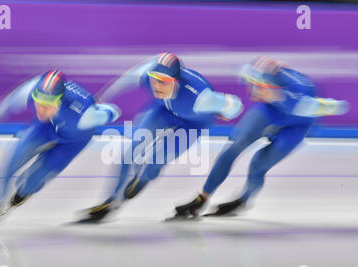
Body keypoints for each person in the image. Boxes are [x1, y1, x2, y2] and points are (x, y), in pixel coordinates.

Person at [168, 57, 349, 221]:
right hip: (270, 110)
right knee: (233, 148)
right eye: (252, 83)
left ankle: (244, 200)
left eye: (260, 87)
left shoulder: (302, 104)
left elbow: (333, 107)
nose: (253, 91)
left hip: (297, 125)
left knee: (258, 165)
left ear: (275, 89)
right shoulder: (260, 79)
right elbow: (243, 68)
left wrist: (334, 106)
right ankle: (202, 198)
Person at [78, 52, 243, 223]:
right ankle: (111, 202)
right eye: (154, 78)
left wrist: (227, 111)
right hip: (163, 111)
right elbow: (125, 80)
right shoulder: (146, 74)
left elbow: (236, 105)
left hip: (193, 126)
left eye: (164, 81)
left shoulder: (202, 98)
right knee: (132, 148)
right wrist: (100, 100)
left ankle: (142, 179)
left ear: (176, 82)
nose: (156, 85)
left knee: (156, 162)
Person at [0, 70, 121, 228]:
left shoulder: (87, 116)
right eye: (38, 102)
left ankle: (24, 192)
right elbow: (7, 104)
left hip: (73, 141)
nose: (41, 109)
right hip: (46, 127)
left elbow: (114, 111)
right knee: (11, 163)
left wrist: (101, 106)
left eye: (48, 104)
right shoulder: (31, 90)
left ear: (59, 101)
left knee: (31, 180)